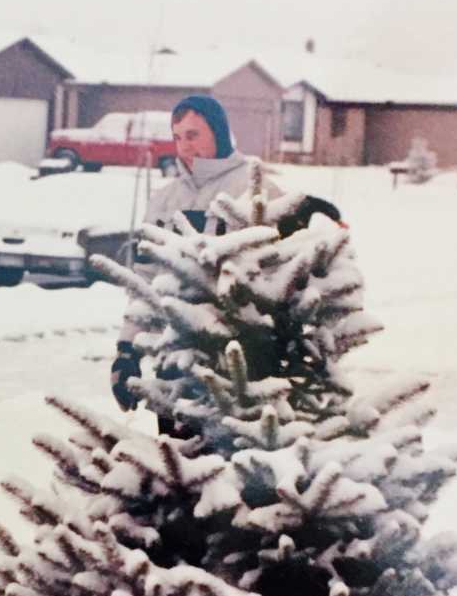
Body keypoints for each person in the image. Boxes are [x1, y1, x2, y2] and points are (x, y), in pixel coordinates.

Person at [111, 95, 344, 413]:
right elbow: (145, 282)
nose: (184, 147)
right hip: (175, 362)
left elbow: (286, 269)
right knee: (178, 459)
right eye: (177, 137)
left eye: (193, 135)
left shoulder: (252, 187)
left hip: (242, 364)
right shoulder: (164, 201)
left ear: (219, 133)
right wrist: (127, 351)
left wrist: (304, 210)